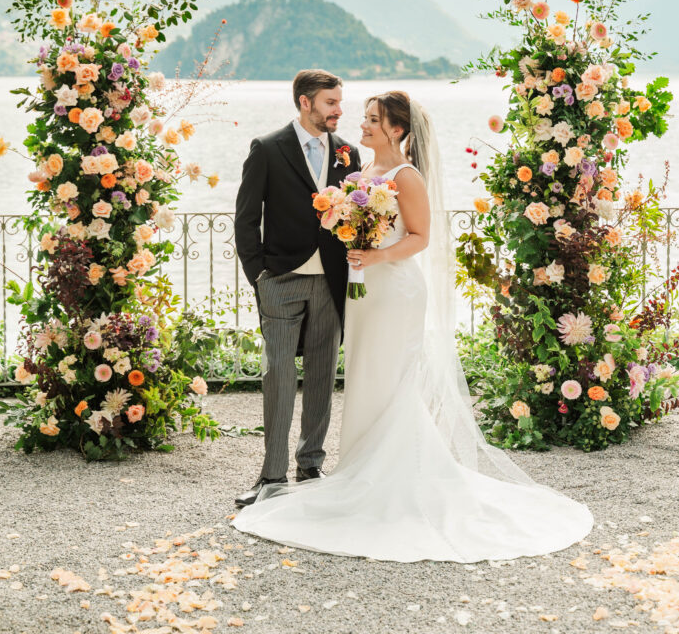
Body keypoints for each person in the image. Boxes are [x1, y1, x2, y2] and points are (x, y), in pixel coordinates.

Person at [232, 90, 593, 561]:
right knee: (365, 379)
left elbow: (421, 237)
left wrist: (376, 254)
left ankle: (393, 477)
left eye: (372, 119)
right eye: (363, 117)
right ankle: (359, 469)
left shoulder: (406, 176)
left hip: (395, 292)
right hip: (363, 292)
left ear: (397, 130)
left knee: (390, 380)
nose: (360, 124)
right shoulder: (362, 172)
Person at [233, 69, 361, 508]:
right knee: (279, 377)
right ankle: (272, 475)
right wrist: (260, 277)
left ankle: (311, 464)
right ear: (305, 102)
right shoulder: (267, 149)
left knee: (324, 375)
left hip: (331, 281)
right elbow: (246, 220)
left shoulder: (348, 152)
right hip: (281, 280)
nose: (339, 111)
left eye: (340, 102)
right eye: (330, 103)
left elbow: (356, 216)